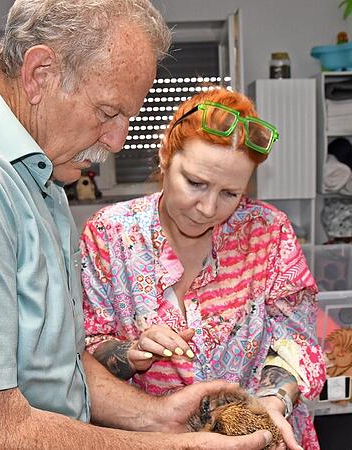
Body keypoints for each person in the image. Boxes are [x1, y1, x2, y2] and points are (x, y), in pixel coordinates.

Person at [0, 1, 275, 449]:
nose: (118, 140)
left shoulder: (38, 177)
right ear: (39, 74)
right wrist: (182, 447)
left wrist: (154, 416)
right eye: (108, 111)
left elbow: (59, 365)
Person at [80, 88, 326, 450]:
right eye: (195, 183)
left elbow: (297, 340)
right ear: (165, 156)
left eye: (230, 193)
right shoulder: (109, 233)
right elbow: (86, 350)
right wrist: (131, 352)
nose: (208, 209)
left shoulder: (267, 231)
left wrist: (272, 404)